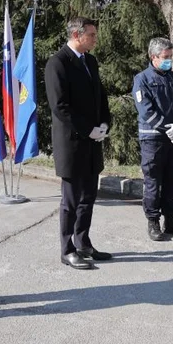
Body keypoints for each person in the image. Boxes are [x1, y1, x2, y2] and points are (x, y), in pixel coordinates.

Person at [45, 17, 113, 270]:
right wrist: (88, 130)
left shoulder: (90, 62)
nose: (95, 39)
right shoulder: (58, 63)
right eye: (92, 35)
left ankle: (83, 242)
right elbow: (60, 106)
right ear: (76, 35)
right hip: (72, 143)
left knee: (88, 198)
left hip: (93, 141)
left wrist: (105, 124)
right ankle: (67, 249)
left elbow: (100, 97)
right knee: (71, 201)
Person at [132, 38, 173, 241]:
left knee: (171, 181)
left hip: (172, 138)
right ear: (153, 57)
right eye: (165, 57)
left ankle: (171, 220)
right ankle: (153, 221)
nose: (169, 61)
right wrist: (168, 128)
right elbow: (146, 111)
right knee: (153, 182)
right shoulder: (142, 79)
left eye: (171, 57)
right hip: (152, 139)